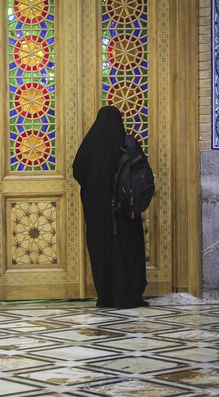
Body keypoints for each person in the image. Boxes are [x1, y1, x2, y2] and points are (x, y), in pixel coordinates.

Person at [72, 106, 148, 308]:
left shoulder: (90, 144)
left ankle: (106, 297)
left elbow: (77, 170)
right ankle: (129, 296)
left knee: (102, 251)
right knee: (128, 250)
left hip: (98, 212)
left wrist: (95, 188)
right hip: (126, 211)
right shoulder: (128, 144)